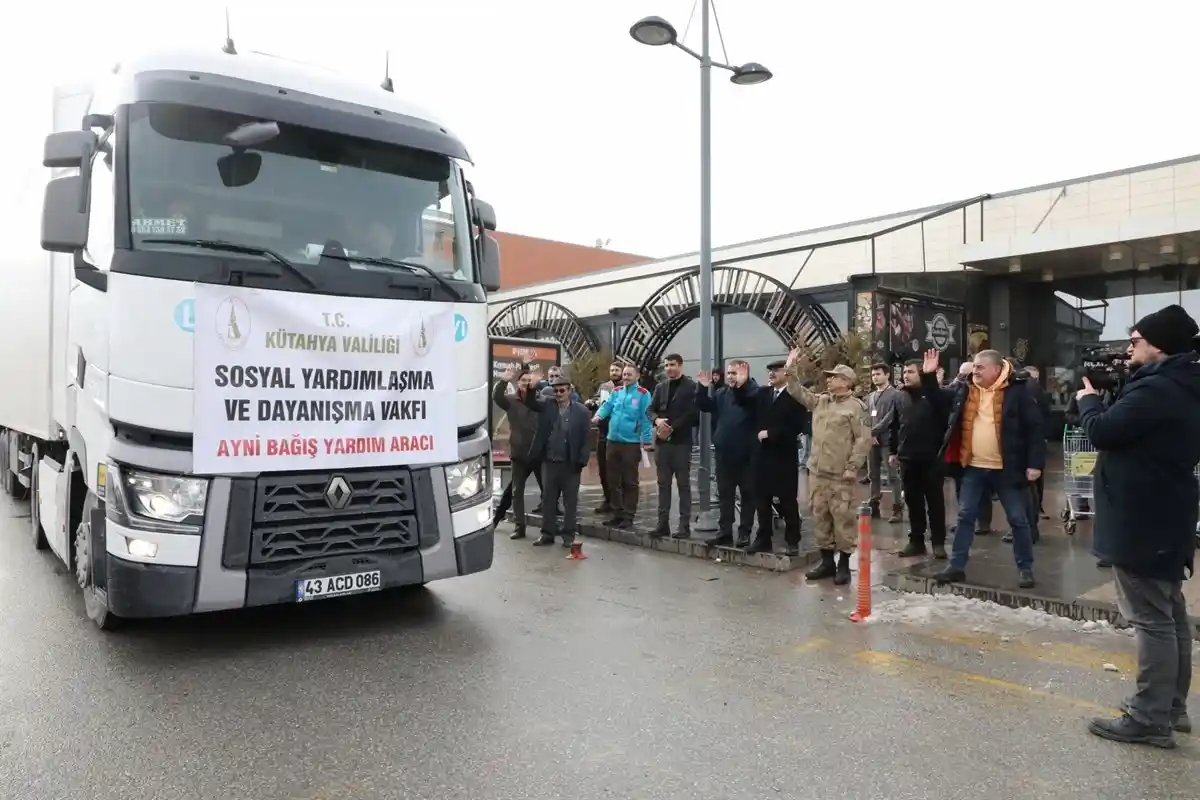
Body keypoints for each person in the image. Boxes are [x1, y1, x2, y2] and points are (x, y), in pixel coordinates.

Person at [1078, 305, 1199, 748]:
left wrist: (1087, 401)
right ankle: (1172, 709)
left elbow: (1105, 432)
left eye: (1135, 342)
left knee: (1152, 620)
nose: (1128, 350)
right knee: (1169, 615)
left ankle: (1150, 716)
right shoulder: (1179, 385)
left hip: (1143, 517)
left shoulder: (1159, 390)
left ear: (1158, 345)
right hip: (1164, 513)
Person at [934, 350, 1044, 589]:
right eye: (974, 367)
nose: (975, 371)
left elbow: (1035, 428)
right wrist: (928, 376)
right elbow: (938, 399)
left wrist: (1035, 464)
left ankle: (1025, 568)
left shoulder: (1018, 390)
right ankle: (956, 566)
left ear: (996, 369)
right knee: (965, 516)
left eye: (980, 367)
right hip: (973, 466)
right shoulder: (966, 388)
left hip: (1007, 468)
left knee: (1018, 519)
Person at [784, 357, 871, 585]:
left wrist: (853, 467)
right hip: (818, 473)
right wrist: (790, 368)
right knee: (820, 517)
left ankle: (843, 565)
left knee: (843, 520)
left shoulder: (856, 408)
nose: (829, 380)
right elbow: (796, 392)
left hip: (840, 475)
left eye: (834, 377)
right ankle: (826, 563)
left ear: (846, 381)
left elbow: (863, 440)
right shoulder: (821, 402)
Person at [889, 350, 952, 559]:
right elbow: (895, 425)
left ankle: (938, 543)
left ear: (922, 373)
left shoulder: (935, 397)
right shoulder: (900, 397)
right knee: (913, 503)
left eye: (911, 372)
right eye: (904, 372)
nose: (906, 375)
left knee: (934, 503)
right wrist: (893, 451)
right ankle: (916, 541)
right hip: (908, 458)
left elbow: (946, 424)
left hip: (932, 459)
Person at [742, 359, 807, 555]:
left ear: (786, 373)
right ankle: (763, 539)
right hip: (761, 456)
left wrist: (771, 434)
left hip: (783, 456)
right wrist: (742, 383)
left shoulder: (795, 396)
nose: (772, 373)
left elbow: (797, 425)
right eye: (770, 370)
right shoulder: (763, 393)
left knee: (787, 501)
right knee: (761, 500)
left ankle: (792, 541)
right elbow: (744, 403)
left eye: (776, 370)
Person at [695, 360, 759, 548]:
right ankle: (724, 532)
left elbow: (744, 400)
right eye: (729, 373)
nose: (731, 376)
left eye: (735, 373)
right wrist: (702, 387)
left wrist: (742, 386)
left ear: (745, 373)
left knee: (748, 495)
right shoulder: (722, 393)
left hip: (746, 455)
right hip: (724, 455)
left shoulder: (754, 391)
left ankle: (744, 533)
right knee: (725, 495)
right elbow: (705, 406)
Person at [533, 377, 593, 547]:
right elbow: (530, 402)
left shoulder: (581, 411)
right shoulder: (547, 406)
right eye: (555, 390)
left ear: (569, 391)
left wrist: (581, 460)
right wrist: (530, 385)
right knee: (548, 500)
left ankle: (568, 536)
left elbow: (586, 438)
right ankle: (547, 534)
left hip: (570, 463)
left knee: (570, 502)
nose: (558, 394)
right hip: (550, 462)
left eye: (562, 390)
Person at [491, 366, 549, 540]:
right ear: (517, 383)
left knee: (547, 491)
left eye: (528, 381)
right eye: (523, 381)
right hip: (519, 452)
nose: (526, 383)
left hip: (538, 452)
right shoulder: (511, 400)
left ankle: (548, 528)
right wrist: (503, 381)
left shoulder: (540, 400)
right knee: (517, 492)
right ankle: (519, 527)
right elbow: (497, 397)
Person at [593, 364, 654, 529]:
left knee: (629, 481)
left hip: (631, 443)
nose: (625, 377)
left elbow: (646, 417)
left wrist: (647, 440)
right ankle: (617, 512)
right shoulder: (617, 391)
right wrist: (598, 416)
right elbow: (607, 406)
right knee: (612, 480)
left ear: (637, 376)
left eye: (629, 374)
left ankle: (628, 515)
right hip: (612, 440)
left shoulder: (643, 394)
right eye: (624, 374)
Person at [650, 353, 699, 539]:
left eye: (672, 365)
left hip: (681, 442)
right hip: (663, 444)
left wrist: (671, 427)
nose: (669, 368)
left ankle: (684, 526)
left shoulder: (691, 387)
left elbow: (693, 413)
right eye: (666, 365)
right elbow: (650, 409)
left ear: (680, 365)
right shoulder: (661, 387)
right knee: (663, 484)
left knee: (683, 485)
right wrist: (657, 420)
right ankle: (662, 525)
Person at [867, 362, 904, 522]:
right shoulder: (871, 396)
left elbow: (891, 417)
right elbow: (867, 416)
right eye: (873, 374)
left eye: (878, 374)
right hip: (872, 440)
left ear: (887, 375)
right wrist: (869, 432)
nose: (875, 377)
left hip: (888, 440)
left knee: (892, 476)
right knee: (872, 474)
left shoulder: (895, 394)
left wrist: (874, 431)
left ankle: (897, 508)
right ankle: (874, 504)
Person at [586, 361, 623, 515]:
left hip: (620, 433)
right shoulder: (604, 387)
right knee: (603, 469)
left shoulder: (626, 387)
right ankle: (607, 499)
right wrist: (591, 403)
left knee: (617, 470)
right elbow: (599, 402)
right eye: (612, 370)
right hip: (603, 431)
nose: (614, 372)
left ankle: (619, 502)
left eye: (617, 370)